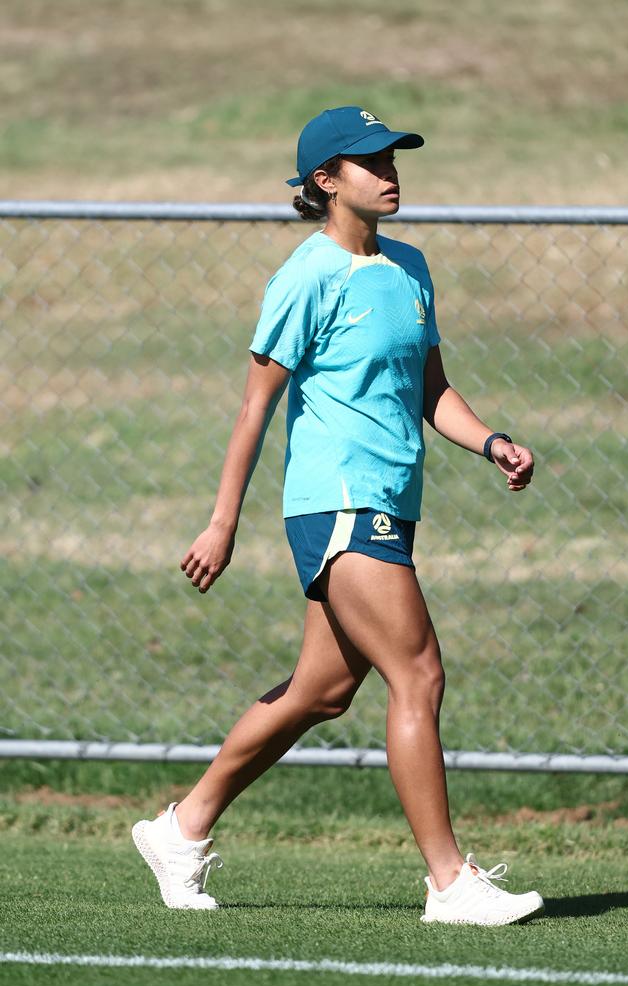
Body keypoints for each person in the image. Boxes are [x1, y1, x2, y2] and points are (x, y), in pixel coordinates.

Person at [132, 106, 545, 926]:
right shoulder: (304, 277)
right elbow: (254, 410)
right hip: (338, 502)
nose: (389, 172)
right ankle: (449, 882)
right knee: (419, 672)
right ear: (326, 182)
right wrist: (223, 521)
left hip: (390, 501)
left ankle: (181, 828)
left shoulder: (411, 267)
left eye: (393, 157)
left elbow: (432, 389)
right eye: (370, 162)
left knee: (321, 693)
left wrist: (488, 439)